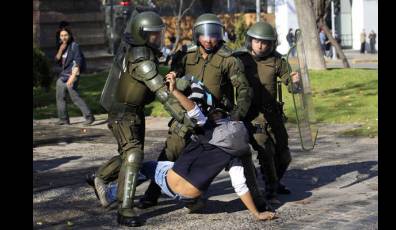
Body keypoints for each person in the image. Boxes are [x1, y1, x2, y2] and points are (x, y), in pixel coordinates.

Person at [95, 73, 278, 222]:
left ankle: (110, 192)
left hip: (169, 181)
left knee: (142, 167)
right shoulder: (237, 149)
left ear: (215, 116)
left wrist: (174, 90)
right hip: (191, 194)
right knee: (196, 185)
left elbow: (193, 110)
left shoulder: (209, 129)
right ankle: (193, 203)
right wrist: (257, 214)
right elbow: (240, 186)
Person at [137, 13, 267, 212]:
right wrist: (175, 85)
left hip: (217, 120)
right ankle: (152, 195)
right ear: (197, 35)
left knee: (242, 156)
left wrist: (235, 118)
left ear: (220, 35)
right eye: (204, 34)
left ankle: (257, 201)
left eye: (213, 34)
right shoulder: (185, 56)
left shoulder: (228, 60)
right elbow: (173, 83)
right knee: (170, 151)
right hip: (188, 115)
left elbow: (244, 91)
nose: (209, 39)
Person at [90, 11, 198, 227]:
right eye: (153, 35)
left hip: (134, 112)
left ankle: (100, 177)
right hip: (123, 114)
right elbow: (161, 93)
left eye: (159, 34)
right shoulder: (140, 57)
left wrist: (181, 84)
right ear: (141, 35)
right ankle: (125, 209)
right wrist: (185, 117)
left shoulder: (145, 52)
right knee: (134, 154)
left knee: (130, 155)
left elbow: (154, 87)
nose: (158, 39)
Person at [234, 22, 300, 203]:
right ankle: (270, 190)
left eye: (265, 42)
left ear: (272, 44)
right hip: (252, 116)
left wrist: (295, 82)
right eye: (257, 41)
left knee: (284, 156)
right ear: (250, 41)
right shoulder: (240, 59)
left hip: (274, 116)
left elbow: (291, 85)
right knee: (266, 152)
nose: (261, 45)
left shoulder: (277, 60)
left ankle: (275, 182)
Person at [54, 27, 95, 125]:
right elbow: (57, 60)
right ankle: (63, 119)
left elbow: (78, 61)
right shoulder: (62, 47)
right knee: (60, 97)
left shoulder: (74, 46)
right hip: (63, 76)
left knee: (75, 97)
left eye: (65, 35)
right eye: (62, 35)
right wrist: (60, 49)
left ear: (70, 35)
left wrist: (72, 77)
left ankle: (89, 117)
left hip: (72, 74)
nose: (64, 37)